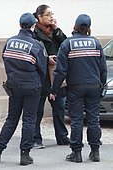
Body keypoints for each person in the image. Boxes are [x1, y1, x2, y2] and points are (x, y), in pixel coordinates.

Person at [0, 13, 47, 166]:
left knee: (11, 119)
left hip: (14, 85)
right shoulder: (36, 45)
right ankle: (25, 155)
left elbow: (5, 59)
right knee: (29, 120)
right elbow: (43, 69)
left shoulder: (9, 42)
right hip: (32, 86)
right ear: (33, 26)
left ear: (20, 25)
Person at [50, 14, 107, 163]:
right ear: (88, 28)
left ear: (75, 26)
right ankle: (95, 152)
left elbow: (60, 70)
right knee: (94, 120)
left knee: (76, 120)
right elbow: (103, 69)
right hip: (94, 87)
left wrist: (54, 90)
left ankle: (76, 153)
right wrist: (102, 86)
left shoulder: (68, 44)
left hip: (75, 88)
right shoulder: (96, 43)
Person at [33, 4, 70, 149]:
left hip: (56, 75)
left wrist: (57, 30)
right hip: (41, 76)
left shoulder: (55, 32)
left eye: (52, 14)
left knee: (59, 107)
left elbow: (66, 45)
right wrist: (46, 58)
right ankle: (36, 138)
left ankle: (62, 136)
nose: (51, 17)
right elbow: (33, 53)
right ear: (40, 17)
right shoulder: (34, 32)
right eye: (48, 14)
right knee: (38, 110)